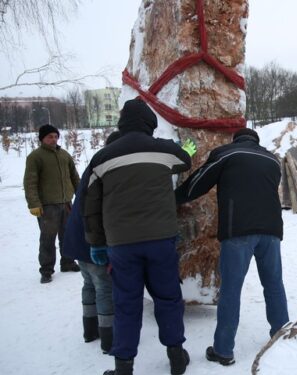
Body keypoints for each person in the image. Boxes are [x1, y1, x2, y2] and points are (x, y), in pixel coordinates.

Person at [83, 98, 192, 375]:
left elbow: (91, 206)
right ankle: (177, 357)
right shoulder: (164, 151)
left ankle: (123, 367)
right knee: (168, 298)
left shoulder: (102, 158)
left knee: (126, 304)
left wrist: (97, 243)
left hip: (122, 245)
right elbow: (185, 161)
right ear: (150, 125)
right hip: (161, 240)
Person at [174, 128, 289, 366]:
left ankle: (224, 350)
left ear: (236, 140)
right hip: (271, 231)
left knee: (231, 289)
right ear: (256, 141)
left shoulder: (227, 154)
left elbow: (199, 182)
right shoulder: (272, 160)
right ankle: (281, 336)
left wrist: (174, 197)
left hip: (238, 231)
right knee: (274, 284)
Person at [62, 131, 121, 354]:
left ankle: (90, 330)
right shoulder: (108, 168)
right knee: (104, 288)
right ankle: (109, 338)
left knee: (89, 284)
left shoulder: (95, 164)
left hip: (77, 238)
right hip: (91, 240)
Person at [24, 123, 81, 283]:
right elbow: (30, 182)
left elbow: (74, 176)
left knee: (68, 235)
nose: (54, 139)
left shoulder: (64, 155)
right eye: (50, 136)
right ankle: (46, 270)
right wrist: (34, 203)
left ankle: (68, 262)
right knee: (48, 239)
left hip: (66, 203)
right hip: (48, 206)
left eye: (56, 136)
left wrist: (82, 194)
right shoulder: (36, 157)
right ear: (42, 138)